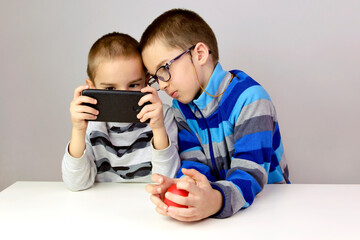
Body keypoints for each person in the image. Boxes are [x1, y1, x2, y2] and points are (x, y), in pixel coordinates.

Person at [139, 9, 290, 222]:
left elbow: (250, 174)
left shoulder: (251, 99)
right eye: (156, 78)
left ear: (199, 54)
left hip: (271, 210)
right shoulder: (181, 109)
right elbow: (194, 167)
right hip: (224, 215)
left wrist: (215, 201)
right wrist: (185, 190)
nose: (162, 84)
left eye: (164, 69)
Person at [62, 32, 180, 191]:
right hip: (103, 207)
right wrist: (78, 130)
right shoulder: (91, 122)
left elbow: (168, 178)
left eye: (133, 85)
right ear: (92, 87)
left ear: (146, 82)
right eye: (110, 88)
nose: (123, 96)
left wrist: (158, 128)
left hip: (148, 204)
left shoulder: (162, 116)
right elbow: (76, 184)